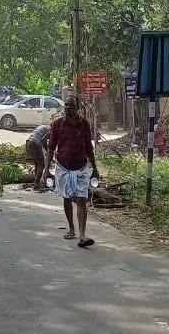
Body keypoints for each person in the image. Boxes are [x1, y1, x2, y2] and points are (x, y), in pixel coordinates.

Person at [45, 96, 99, 248]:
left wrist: (95, 169)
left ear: (78, 107)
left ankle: (82, 235)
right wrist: (46, 170)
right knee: (67, 198)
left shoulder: (84, 124)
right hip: (63, 166)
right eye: (66, 105)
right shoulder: (57, 124)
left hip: (81, 166)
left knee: (82, 199)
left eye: (71, 105)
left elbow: (89, 148)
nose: (68, 107)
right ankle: (71, 228)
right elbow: (50, 148)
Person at [25, 124, 51, 191]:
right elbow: (43, 140)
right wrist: (47, 150)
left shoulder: (44, 126)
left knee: (37, 164)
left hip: (28, 142)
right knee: (42, 165)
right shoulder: (51, 130)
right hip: (34, 144)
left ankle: (36, 182)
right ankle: (36, 185)